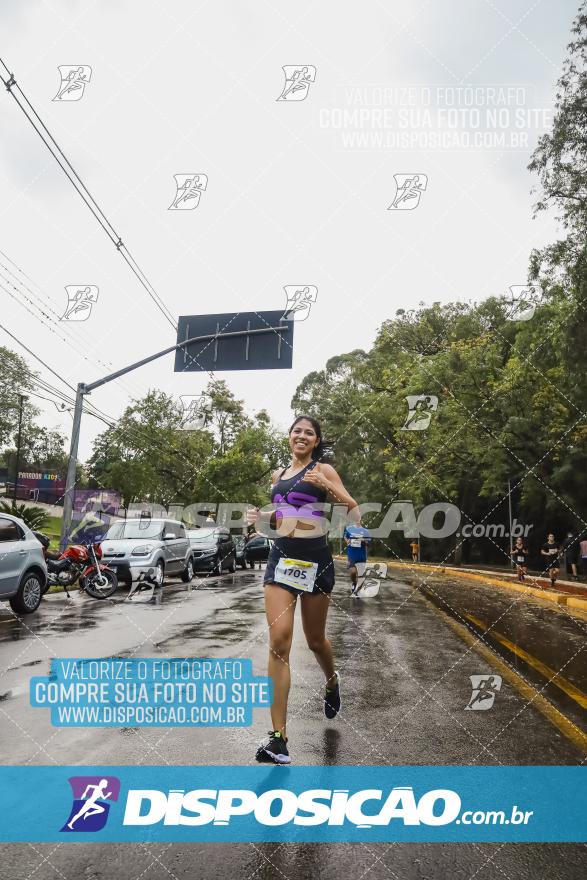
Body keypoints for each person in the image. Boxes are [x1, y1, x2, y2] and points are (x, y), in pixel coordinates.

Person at [248, 416, 358, 765]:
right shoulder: (277, 476)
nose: (302, 435)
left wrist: (328, 486)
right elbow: (281, 521)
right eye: (297, 430)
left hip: (315, 562)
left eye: (309, 432)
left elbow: (352, 512)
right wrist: (260, 520)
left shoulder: (324, 469)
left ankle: (331, 680)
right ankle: (278, 739)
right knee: (279, 641)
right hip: (281, 561)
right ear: (289, 436)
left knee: (314, 640)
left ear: (316, 440)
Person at [344, 523, 371, 595]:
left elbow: (368, 543)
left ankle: (358, 590)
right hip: (352, 555)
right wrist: (347, 541)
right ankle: (354, 582)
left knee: (361, 576)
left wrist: (364, 540)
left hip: (361, 556)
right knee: (353, 572)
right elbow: (345, 537)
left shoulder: (365, 531)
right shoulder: (349, 529)